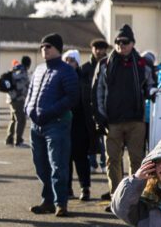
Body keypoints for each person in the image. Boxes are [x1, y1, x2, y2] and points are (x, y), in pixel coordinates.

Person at [93, 25, 153, 203]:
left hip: (136, 120)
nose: (121, 45)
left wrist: (152, 93)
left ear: (133, 43)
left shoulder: (143, 64)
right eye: (118, 42)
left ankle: (134, 197)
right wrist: (100, 117)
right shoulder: (105, 63)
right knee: (112, 160)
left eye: (125, 42)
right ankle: (116, 197)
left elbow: (151, 87)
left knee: (137, 160)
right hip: (112, 121)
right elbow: (97, 91)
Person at [26, 34, 80, 217]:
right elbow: (30, 92)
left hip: (57, 124)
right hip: (36, 125)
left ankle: (60, 203)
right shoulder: (39, 69)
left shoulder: (66, 71)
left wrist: (50, 112)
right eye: (42, 46)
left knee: (58, 165)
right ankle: (47, 200)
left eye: (48, 46)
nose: (44, 49)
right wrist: (28, 109)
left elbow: (72, 97)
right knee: (40, 165)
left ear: (58, 48)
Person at [62, 50, 93, 202]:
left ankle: (85, 187)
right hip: (63, 123)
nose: (69, 63)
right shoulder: (59, 77)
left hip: (80, 124)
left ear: (77, 62)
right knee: (64, 158)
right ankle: (67, 189)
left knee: (81, 158)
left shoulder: (84, 79)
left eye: (72, 60)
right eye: (66, 60)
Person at [84, 40, 109, 172]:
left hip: (104, 109)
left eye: (102, 48)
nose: (99, 51)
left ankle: (104, 163)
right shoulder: (85, 68)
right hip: (88, 109)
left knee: (104, 138)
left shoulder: (109, 65)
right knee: (90, 137)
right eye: (96, 48)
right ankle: (92, 163)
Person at [3, 57, 31, 147]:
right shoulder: (22, 72)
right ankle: (18, 140)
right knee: (21, 120)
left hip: (11, 98)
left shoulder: (15, 69)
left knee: (13, 119)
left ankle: (9, 139)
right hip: (17, 99)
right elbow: (22, 85)